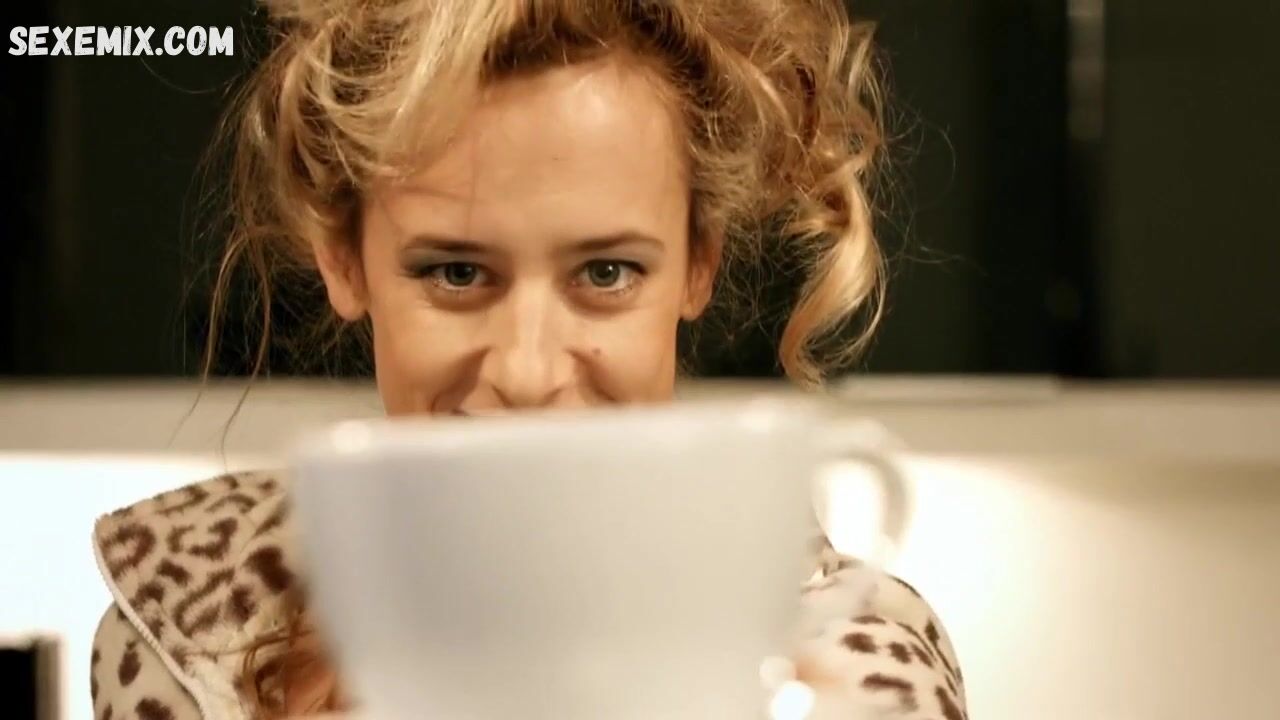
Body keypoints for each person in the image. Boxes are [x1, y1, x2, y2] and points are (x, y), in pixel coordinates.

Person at [90, 0, 967, 718]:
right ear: (343, 260)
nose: (528, 371)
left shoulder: (858, 677)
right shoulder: (191, 642)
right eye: (457, 272)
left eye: (606, 273)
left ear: (699, 263)